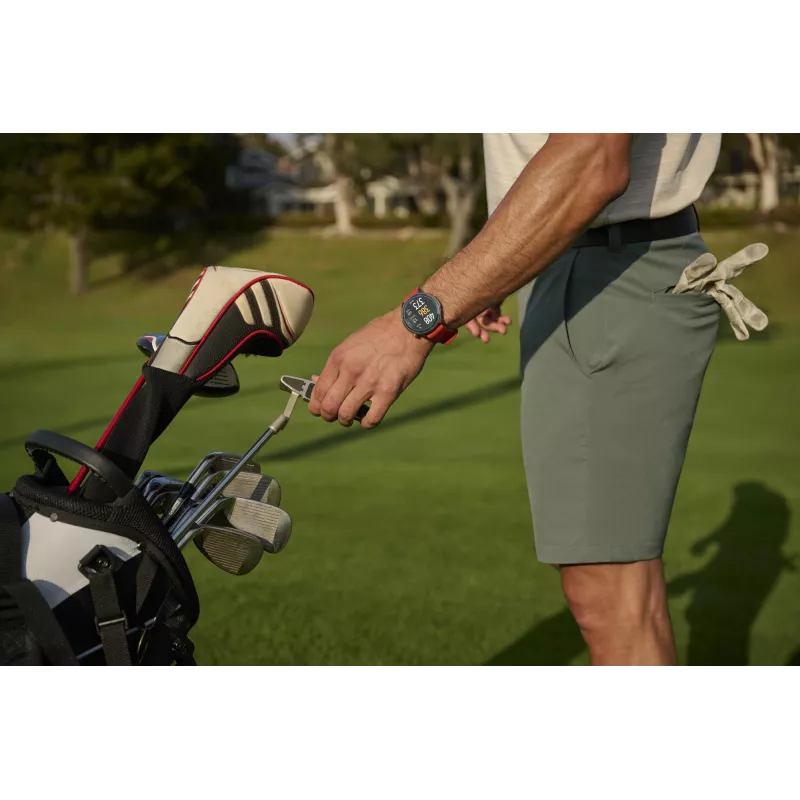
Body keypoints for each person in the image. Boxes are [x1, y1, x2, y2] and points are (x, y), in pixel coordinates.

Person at [307, 131, 764, 668]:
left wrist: (416, 320)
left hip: (612, 268)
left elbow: (594, 156)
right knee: (609, 587)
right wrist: (491, 273)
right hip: (571, 262)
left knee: (613, 594)